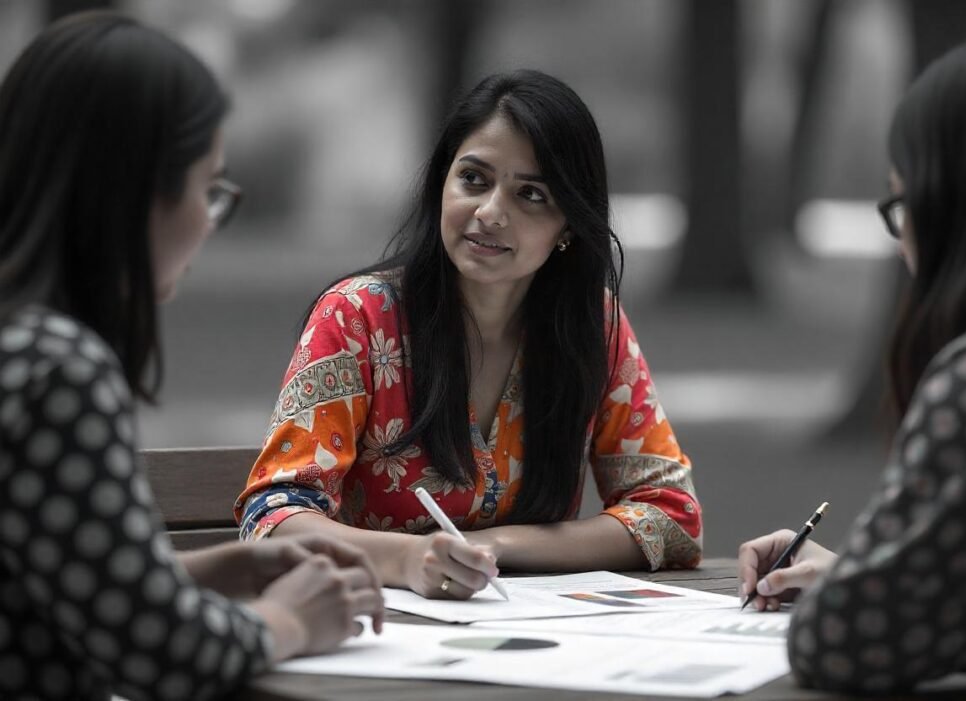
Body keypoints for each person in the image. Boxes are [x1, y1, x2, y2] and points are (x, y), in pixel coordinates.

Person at [0, 11, 384, 701]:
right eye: (208, 188)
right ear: (140, 190)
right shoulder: (57, 368)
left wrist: (205, 572)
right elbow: (161, 656)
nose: (209, 220)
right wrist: (290, 619)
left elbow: (56, 587)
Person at [235, 69, 703, 600]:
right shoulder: (357, 319)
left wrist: (499, 545)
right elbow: (273, 515)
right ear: (442, 183)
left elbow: (671, 514)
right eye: (474, 180)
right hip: (375, 628)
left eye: (531, 194)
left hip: (540, 640)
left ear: (569, 224)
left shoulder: (594, 327)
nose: (490, 213)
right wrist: (407, 559)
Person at [738, 33, 966, 693]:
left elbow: (838, 645)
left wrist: (857, 587)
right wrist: (869, 574)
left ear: (953, 203)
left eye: (901, 206)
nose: (903, 245)